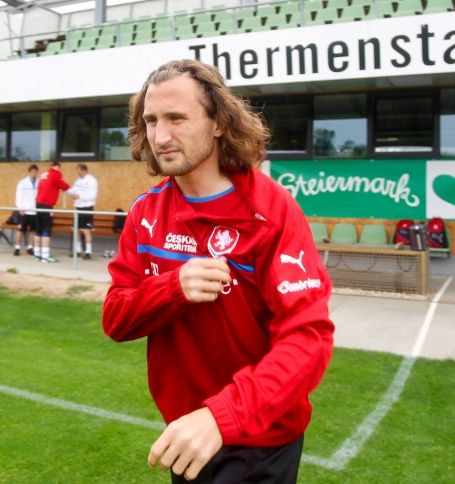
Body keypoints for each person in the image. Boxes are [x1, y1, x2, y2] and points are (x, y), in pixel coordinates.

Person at [102, 59, 334, 483]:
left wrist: (220, 417)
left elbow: (307, 338)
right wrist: (173, 288)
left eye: (177, 118)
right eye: (151, 121)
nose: (161, 136)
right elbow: (116, 318)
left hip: (259, 440)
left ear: (219, 124)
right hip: (185, 434)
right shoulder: (146, 212)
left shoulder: (271, 211)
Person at [34, 161, 70, 262]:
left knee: (38, 229)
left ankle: (37, 254)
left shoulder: (44, 174)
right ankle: (45, 256)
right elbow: (64, 186)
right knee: (46, 229)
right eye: (59, 168)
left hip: (38, 204)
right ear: (57, 167)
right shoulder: (55, 174)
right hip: (47, 205)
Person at [67, 163, 98, 259]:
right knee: (76, 229)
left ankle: (88, 252)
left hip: (87, 208)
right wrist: (67, 191)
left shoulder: (92, 180)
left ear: (84, 170)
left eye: (79, 171)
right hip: (78, 207)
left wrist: (80, 196)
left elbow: (93, 196)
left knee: (86, 230)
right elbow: (74, 191)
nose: (78, 173)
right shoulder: (78, 180)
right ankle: (78, 250)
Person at [13, 164, 39, 256]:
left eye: (36, 172)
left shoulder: (38, 183)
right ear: (29, 172)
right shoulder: (22, 183)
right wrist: (20, 208)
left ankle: (30, 247)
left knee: (32, 230)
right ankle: (17, 247)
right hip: (24, 210)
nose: (34, 174)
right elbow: (18, 196)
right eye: (33, 172)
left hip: (34, 210)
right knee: (20, 230)